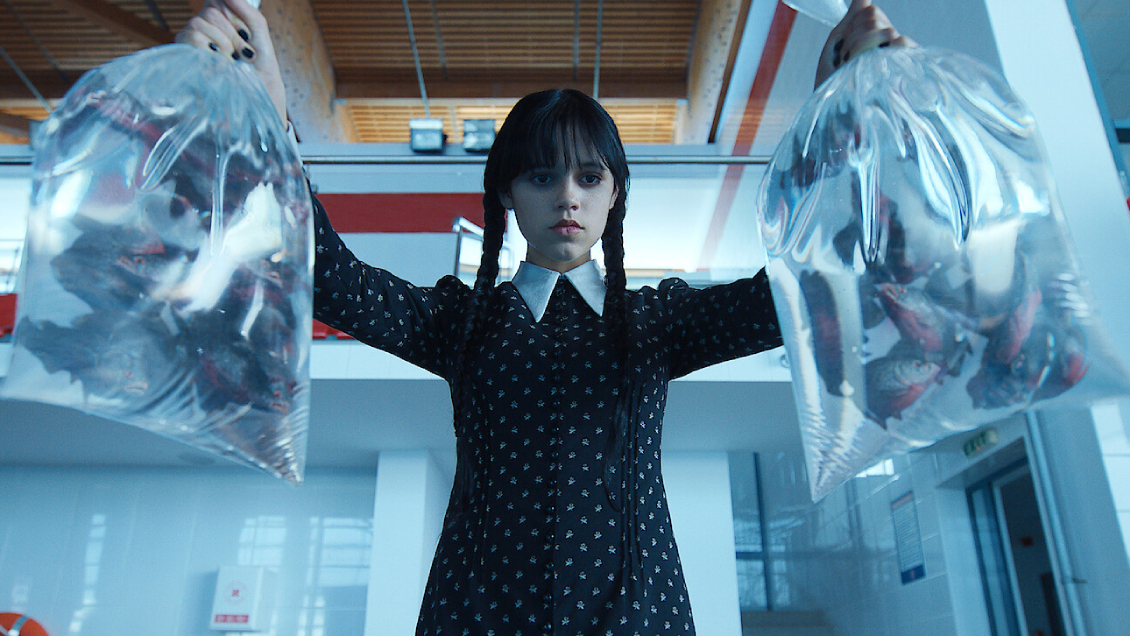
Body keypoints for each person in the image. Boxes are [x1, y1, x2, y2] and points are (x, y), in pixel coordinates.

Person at [176, 1, 910, 633]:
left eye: (590, 177)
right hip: (476, 617)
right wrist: (263, 115)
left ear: (615, 196)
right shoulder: (461, 322)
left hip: (638, 618)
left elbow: (805, 288)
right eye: (541, 175)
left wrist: (844, 115)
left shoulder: (657, 322)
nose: (567, 196)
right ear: (506, 194)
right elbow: (326, 276)